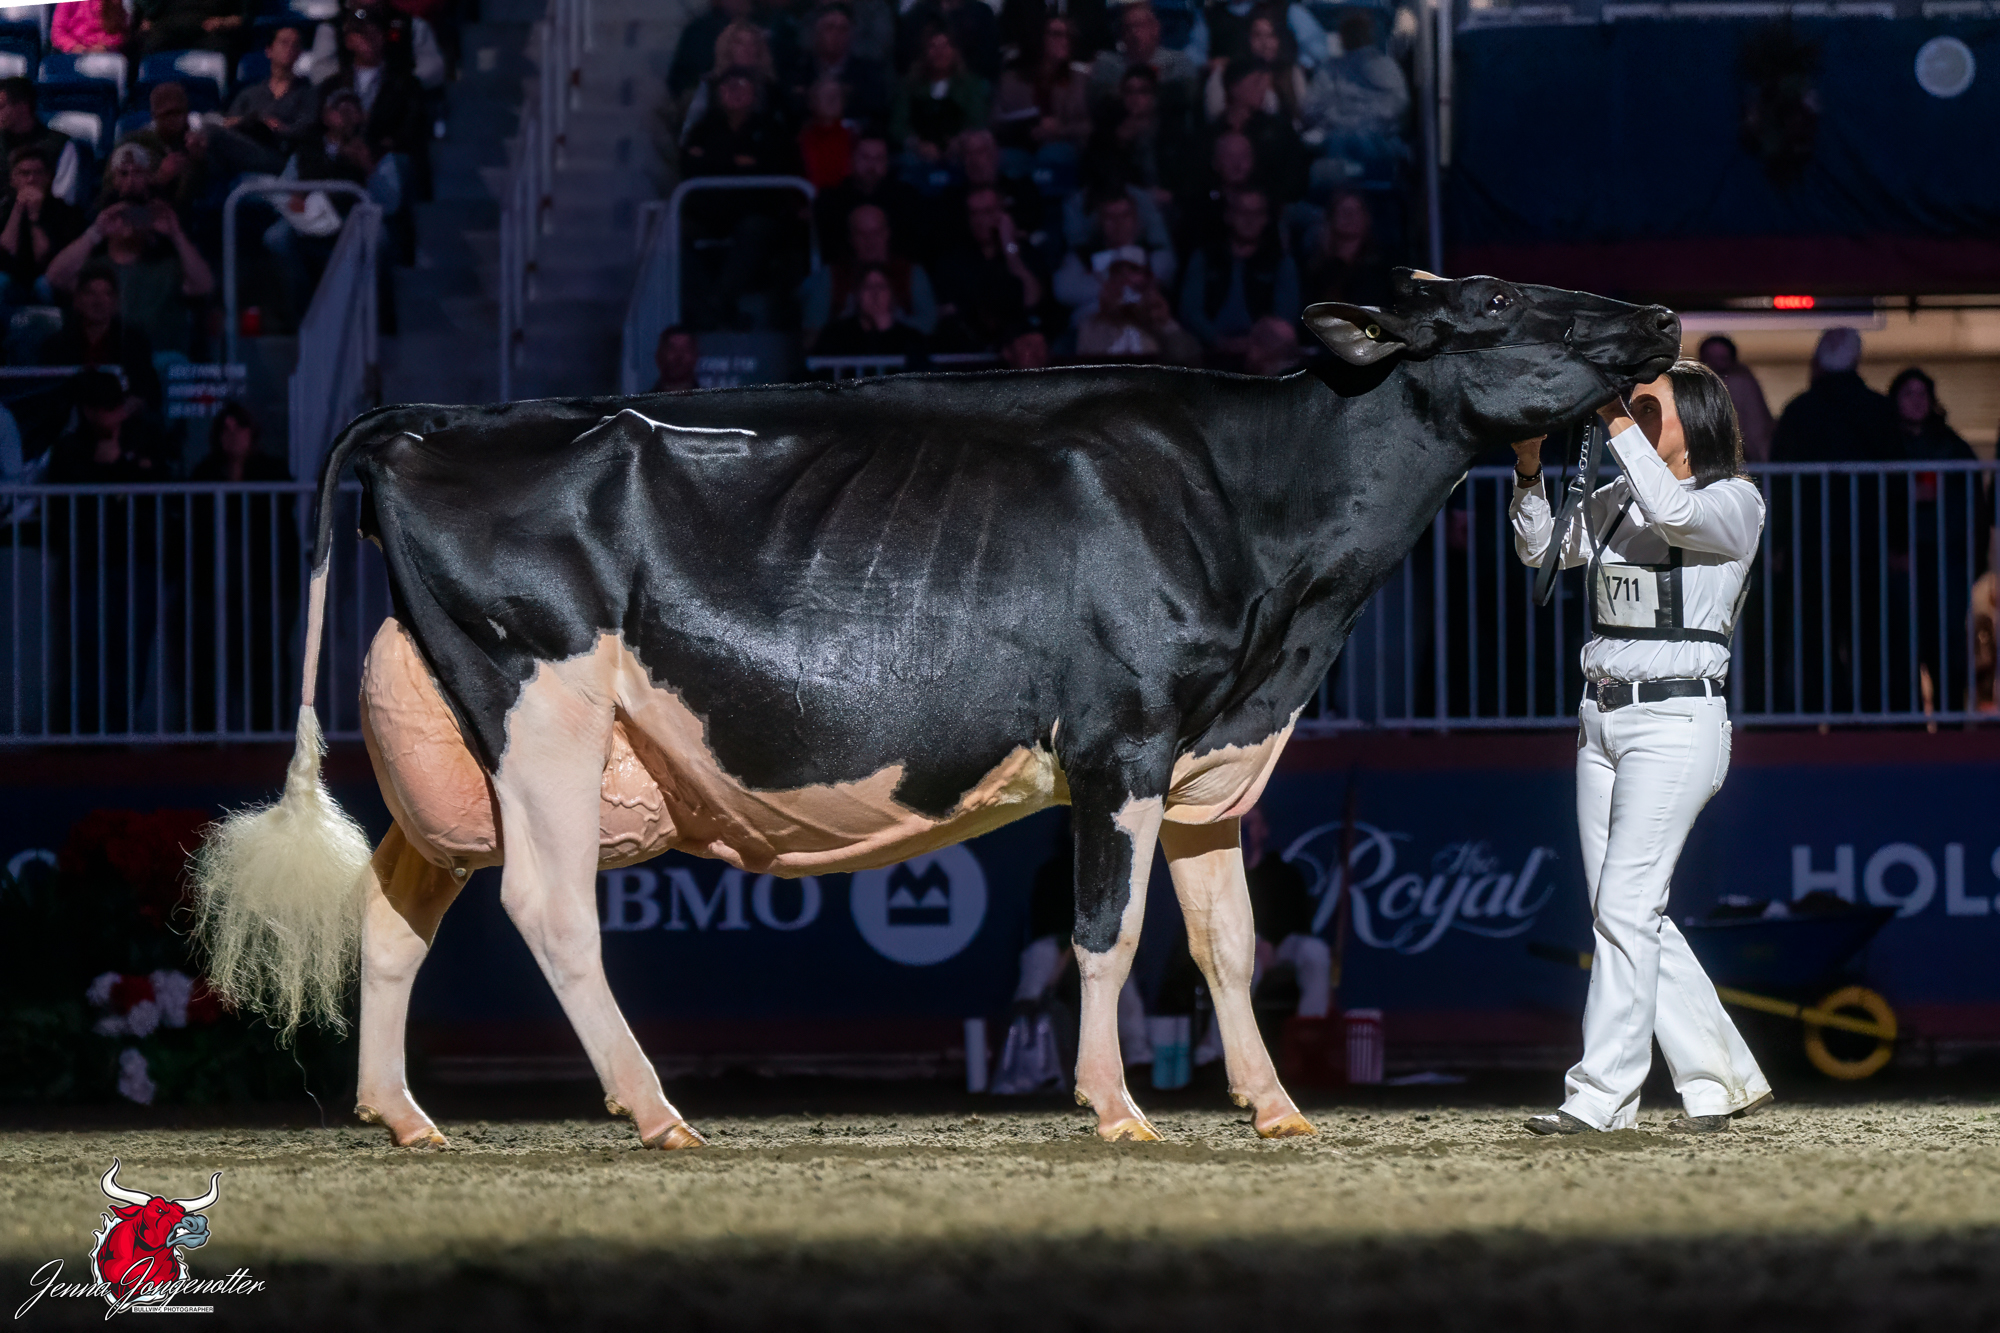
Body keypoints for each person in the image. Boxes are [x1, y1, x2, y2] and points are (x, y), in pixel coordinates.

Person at [1509, 362, 1774, 1136]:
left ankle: (1601, 1096)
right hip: (1600, 718)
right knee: (1627, 911)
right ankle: (1718, 1079)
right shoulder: (1620, 496)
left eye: (1651, 406)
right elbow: (1541, 551)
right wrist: (1528, 470)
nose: (1632, 414)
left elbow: (1675, 511)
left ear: (1697, 422)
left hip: (1676, 721)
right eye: (1632, 405)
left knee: (1626, 906)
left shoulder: (1734, 502)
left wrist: (1611, 416)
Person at [184, 402, 299, 733]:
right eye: (226, 429)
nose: (232, 436)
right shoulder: (205, 473)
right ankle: (208, 733)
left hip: (267, 582)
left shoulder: (273, 472)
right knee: (210, 657)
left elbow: (276, 514)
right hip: (216, 585)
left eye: (239, 428)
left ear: (253, 433)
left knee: (268, 655)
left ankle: (269, 730)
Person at [1886, 366, 1990, 715]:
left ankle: (1950, 721)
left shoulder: (1953, 446)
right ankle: (1909, 725)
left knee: (1947, 645)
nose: (1917, 401)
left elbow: (1973, 507)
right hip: (1903, 560)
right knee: (1903, 645)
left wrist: (1972, 560)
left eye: (1922, 394)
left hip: (1947, 559)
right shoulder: (1886, 445)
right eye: (1908, 394)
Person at [679, 67, 807, 330]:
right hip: (708, 213)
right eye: (728, 87)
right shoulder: (703, 128)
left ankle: (716, 305)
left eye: (742, 87)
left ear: (753, 94)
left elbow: (776, 165)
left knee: (755, 229)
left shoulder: (771, 128)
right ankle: (711, 306)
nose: (735, 92)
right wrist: (737, 161)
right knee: (674, 232)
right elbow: (689, 164)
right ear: (719, 93)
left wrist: (712, 159)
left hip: (755, 212)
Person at [46, 191, 215, 361]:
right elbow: (55, 277)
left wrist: (175, 233)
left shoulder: (167, 268)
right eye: (122, 215)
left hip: (158, 358)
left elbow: (203, 286)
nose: (129, 221)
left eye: (137, 215)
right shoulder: (94, 268)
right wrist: (96, 231)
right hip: (107, 358)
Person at [1177, 185, 1297, 359]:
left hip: (1263, 349)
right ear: (1229, 215)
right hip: (1208, 345)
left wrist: (1254, 343)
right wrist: (1217, 341)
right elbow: (1191, 311)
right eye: (1243, 212)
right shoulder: (1206, 257)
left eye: (1256, 214)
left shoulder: (1279, 262)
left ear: (1265, 219)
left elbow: (1285, 315)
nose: (1249, 220)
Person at [798, 203, 937, 343]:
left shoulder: (911, 272)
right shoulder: (832, 275)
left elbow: (929, 323)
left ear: (887, 234)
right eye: (861, 234)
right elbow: (812, 327)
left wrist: (888, 324)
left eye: (876, 233)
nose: (870, 241)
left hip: (900, 350)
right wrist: (854, 328)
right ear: (851, 238)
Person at [931, 185, 1046, 350]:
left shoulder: (1024, 252)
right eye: (974, 213)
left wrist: (1009, 248)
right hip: (968, 351)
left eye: (988, 212)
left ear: (1003, 214)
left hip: (1018, 348)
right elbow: (946, 312)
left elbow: (1032, 301)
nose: (980, 220)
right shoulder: (953, 260)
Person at [1301, 12, 1407, 190]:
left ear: (1370, 35)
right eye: (1350, 31)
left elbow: (1398, 107)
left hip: (1376, 141)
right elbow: (1310, 108)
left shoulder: (1385, 66)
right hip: (1334, 139)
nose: (1355, 35)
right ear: (1341, 36)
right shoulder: (1329, 69)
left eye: (1359, 30)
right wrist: (1337, 118)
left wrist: (1359, 120)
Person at [37, 264, 164, 413]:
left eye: (107, 294)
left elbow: (145, 392)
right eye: (90, 293)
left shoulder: (134, 342)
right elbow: (50, 396)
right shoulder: (56, 345)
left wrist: (116, 414)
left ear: (115, 302)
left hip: (122, 416)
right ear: (77, 300)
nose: (99, 301)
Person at [1051, 187, 1175, 317]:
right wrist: (1118, 284)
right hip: (1093, 321)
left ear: (1136, 219)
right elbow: (1063, 291)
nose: (1118, 224)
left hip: (1142, 322)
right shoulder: (1081, 256)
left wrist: (1102, 283)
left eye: (1125, 215)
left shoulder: (1155, 255)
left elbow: (1158, 280)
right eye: (1110, 217)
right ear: (1099, 222)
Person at [992, 16, 1093, 159]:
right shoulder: (1012, 80)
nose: (1065, 41)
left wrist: (1061, 129)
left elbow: (1090, 125)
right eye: (1057, 34)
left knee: (1052, 155)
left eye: (1069, 36)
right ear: (1039, 38)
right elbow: (995, 122)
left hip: (1064, 147)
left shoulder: (1079, 79)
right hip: (1020, 147)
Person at [813, 135, 924, 263]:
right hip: (846, 270)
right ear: (851, 159)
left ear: (887, 162)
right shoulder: (831, 200)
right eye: (865, 157)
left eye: (879, 158)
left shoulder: (906, 198)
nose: (871, 165)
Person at [1071, 255, 1197, 363]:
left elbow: (1187, 361)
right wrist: (1111, 316)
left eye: (1133, 284)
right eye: (1118, 280)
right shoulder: (1090, 327)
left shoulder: (1156, 321)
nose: (1124, 288)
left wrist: (1165, 322)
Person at [892, 28, 991, 165]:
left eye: (945, 46)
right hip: (918, 155)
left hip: (960, 154)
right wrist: (917, 145)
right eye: (933, 46)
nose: (940, 52)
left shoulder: (971, 85)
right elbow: (897, 125)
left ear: (955, 51)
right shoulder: (910, 85)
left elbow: (978, 121)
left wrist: (960, 141)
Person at [0, 150, 86, 305]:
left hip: (49, 280)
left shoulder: (66, 212)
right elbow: (5, 252)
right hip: (12, 279)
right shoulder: (5, 209)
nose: (31, 179)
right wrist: (18, 210)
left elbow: (45, 257)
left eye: (38, 173)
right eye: (25, 174)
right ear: (13, 179)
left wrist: (34, 217)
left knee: (43, 285)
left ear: (48, 177)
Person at [789, 1, 890, 128]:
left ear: (851, 34)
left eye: (843, 29)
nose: (836, 35)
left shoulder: (868, 75)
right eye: (829, 28)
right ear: (817, 32)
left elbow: (875, 114)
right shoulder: (800, 70)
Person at [1088, 3, 1198, 114]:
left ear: (1155, 29)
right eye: (1128, 27)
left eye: (1139, 26)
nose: (1134, 33)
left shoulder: (1177, 62)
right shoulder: (1107, 64)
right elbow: (1100, 98)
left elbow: (1187, 96)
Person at [226, 25, 321, 152]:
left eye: (295, 44)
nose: (290, 48)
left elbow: (306, 131)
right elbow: (229, 124)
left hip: (281, 152)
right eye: (284, 43)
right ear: (269, 50)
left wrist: (277, 128)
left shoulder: (308, 93)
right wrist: (259, 122)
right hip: (245, 148)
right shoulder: (249, 94)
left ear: (299, 53)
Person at [812, 262, 930, 363]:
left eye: (881, 286)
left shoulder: (910, 338)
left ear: (891, 294)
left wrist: (886, 332)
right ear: (858, 294)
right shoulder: (836, 335)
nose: (875, 294)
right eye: (868, 287)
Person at [1299, 188, 1390, 307]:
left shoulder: (1379, 271)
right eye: (1343, 210)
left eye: (1356, 211)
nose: (1349, 216)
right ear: (1331, 217)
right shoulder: (1315, 270)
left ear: (1366, 218)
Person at [0, 81, 82, 209]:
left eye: (1, 106)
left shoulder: (60, 145)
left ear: (23, 107)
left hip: (47, 216)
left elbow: (64, 199)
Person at [1696, 335, 1773, 464]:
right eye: (1709, 359)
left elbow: (1757, 431)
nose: (1715, 365)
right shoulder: (1692, 390)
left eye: (1722, 359)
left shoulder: (1742, 387)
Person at [897, 0, 1004, 83]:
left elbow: (990, 61)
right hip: (922, 88)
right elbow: (905, 57)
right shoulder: (919, 15)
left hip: (971, 89)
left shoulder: (981, 14)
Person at [797, 77, 857, 190]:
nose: (832, 99)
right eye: (825, 95)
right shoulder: (800, 140)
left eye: (836, 95)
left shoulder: (854, 138)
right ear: (812, 102)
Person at [52, 0, 130, 53]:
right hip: (73, 53)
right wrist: (73, 46)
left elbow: (119, 33)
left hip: (105, 53)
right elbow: (57, 32)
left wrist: (105, 46)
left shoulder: (113, 2)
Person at [652, 326, 701, 391]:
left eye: (685, 349)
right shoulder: (645, 397)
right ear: (659, 356)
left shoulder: (708, 397)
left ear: (695, 355)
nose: (679, 356)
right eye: (672, 349)